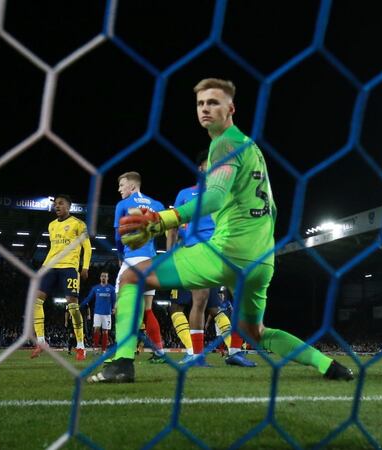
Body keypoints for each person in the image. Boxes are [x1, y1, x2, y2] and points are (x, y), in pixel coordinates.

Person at [90, 78, 353, 383]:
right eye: (200, 103)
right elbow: (272, 208)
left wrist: (162, 220)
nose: (205, 108)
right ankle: (329, 366)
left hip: (227, 253)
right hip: (261, 261)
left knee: (132, 277)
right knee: (255, 331)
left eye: (213, 102)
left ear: (231, 108)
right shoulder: (252, 149)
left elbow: (213, 197)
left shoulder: (225, 143)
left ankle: (122, 363)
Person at [166, 150, 255, 367]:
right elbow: (173, 225)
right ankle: (197, 354)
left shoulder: (226, 193)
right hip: (197, 250)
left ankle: (235, 352)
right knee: (200, 300)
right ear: (200, 169)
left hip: (223, 250)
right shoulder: (185, 194)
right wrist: (169, 254)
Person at [114, 172, 166, 362]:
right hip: (150, 261)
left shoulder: (123, 205)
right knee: (147, 310)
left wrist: (121, 256)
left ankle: (122, 352)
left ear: (132, 186)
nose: (119, 189)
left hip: (132, 259)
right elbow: (166, 231)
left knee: (121, 308)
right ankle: (160, 352)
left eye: (122, 185)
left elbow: (118, 237)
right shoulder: (157, 205)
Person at [31, 195, 92, 361]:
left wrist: (85, 267)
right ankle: (41, 342)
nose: (56, 206)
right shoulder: (51, 225)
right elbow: (54, 249)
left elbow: (87, 247)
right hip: (51, 266)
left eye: (60, 203)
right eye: (55, 204)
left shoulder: (79, 224)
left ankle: (81, 346)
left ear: (68, 206)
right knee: (36, 302)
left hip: (69, 267)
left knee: (73, 306)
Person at [81, 272, 116, 354]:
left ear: (107, 278)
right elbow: (89, 298)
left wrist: (114, 308)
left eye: (105, 276)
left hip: (107, 314)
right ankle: (95, 348)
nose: (103, 277)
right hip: (97, 313)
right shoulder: (95, 288)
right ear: (100, 278)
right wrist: (81, 304)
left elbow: (114, 300)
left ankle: (104, 350)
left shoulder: (111, 289)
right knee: (96, 329)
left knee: (105, 331)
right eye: (102, 276)